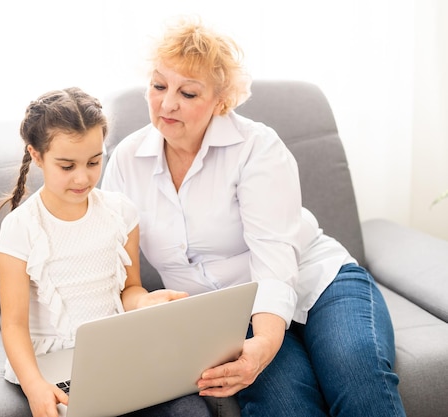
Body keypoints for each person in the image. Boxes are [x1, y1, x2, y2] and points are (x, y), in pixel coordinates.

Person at [101, 17, 406, 417]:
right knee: (283, 404)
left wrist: (263, 345)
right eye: (159, 86)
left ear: (220, 101)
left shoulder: (257, 147)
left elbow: (274, 261)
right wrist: (139, 305)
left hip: (318, 281)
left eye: (188, 93)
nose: (167, 103)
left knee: (355, 370)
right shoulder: (126, 159)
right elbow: (115, 265)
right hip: (229, 312)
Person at [0, 87, 212, 417]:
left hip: (115, 351)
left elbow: (130, 289)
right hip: (52, 362)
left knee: (190, 411)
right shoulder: (20, 227)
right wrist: (35, 385)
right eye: (67, 166)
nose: (83, 178)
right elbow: (13, 325)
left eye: (94, 162)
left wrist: (144, 301)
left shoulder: (120, 212)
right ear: (37, 156)